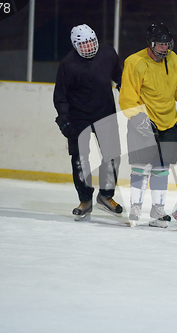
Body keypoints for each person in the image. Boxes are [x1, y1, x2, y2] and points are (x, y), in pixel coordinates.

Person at [119, 23, 177, 228]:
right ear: (151, 43)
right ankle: (136, 207)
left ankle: (157, 210)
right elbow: (128, 97)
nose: (164, 48)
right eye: (160, 44)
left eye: (167, 44)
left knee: (161, 168)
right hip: (142, 123)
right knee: (140, 167)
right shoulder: (135, 62)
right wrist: (140, 120)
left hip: (168, 122)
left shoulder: (173, 60)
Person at [53, 24, 123, 221]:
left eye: (91, 42)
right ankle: (85, 200)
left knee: (112, 156)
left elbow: (119, 76)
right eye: (83, 44)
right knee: (80, 160)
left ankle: (106, 196)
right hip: (79, 117)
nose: (89, 47)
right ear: (76, 46)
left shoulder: (108, 53)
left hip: (105, 114)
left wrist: (126, 89)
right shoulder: (68, 64)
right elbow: (60, 95)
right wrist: (63, 118)